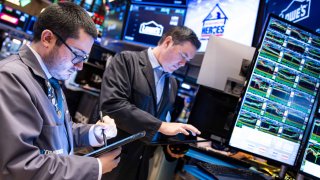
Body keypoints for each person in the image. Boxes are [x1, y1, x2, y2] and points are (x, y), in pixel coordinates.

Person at [0, 2, 121, 180]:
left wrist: (94, 133)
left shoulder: (51, 77)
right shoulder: (11, 78)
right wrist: (96, 167)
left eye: (84, 58)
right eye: (77, 55)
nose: (80, 66)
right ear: (48, 38)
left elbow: (56, 131)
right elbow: (19, 165)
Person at [99, 26, 201, 180]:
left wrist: (170, 146)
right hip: (113, 162)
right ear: (167, 42)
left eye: (187, 60)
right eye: (182, 55)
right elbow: (113, 106)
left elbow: (161, 123)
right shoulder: (126, 61)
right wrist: (161, 126)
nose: (182, 64)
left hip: (141, 167)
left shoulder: (171, 83)